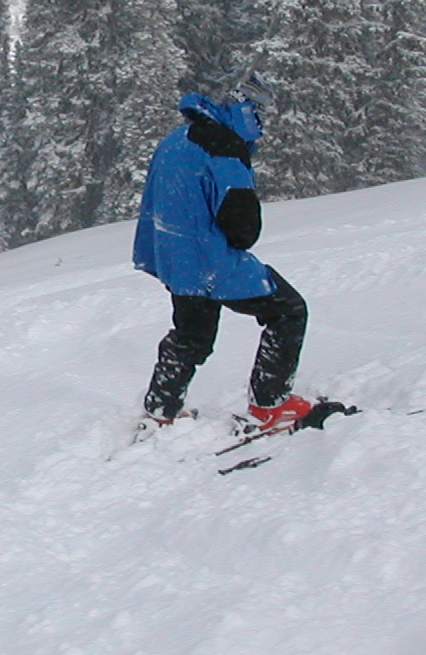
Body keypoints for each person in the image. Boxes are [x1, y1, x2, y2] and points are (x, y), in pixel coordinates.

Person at [132, 75, 313, 432]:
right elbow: (243, 229)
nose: (262, 127)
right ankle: (270, 404)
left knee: (192, 334)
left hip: (173, 257)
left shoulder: (176, 140)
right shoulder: (225, 148)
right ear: (243, 110)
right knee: (288, 311)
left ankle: (162, 409)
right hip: (212, 260)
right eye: (260, 115)